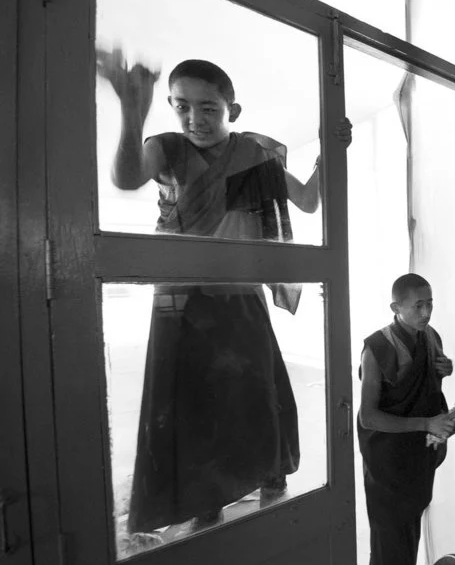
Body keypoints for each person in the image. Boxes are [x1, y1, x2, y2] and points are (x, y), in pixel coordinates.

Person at [96, 48, 352, 534]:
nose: (194, 119)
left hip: (238, 295)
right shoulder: (167, 149)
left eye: (208, 108)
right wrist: (132, 111)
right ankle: (205, 498)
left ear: (232, 111)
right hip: (181, 296)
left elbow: (309, 200)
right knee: (193, 402)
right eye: (181, 105)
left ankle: (269, 473)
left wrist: (329, 153)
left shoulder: (254, 154)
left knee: (255, 392)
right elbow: (127, 178)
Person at [357, 273, 455, 565]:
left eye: (430, 303)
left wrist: (444, 372)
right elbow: (369, 417)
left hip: (418, 461)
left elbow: (425, 389)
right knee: (389, 555)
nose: (426, 311)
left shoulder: (430, 336)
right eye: (418, 305)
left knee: (407, 545)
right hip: (387, 465)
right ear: (395, 307)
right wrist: (426, 424)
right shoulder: (377, 348)